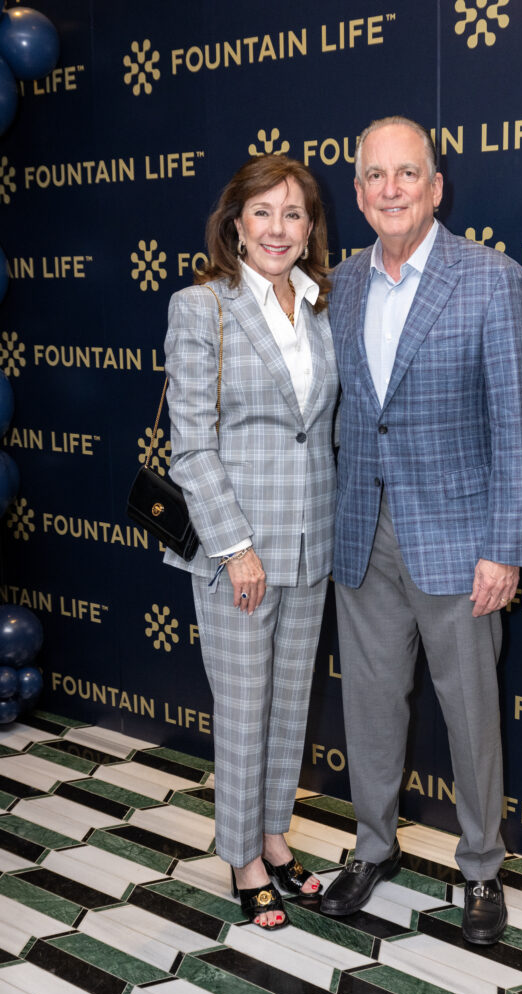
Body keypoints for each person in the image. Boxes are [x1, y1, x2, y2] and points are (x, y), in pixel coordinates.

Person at [320, 117, 522, 945]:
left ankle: (480, 867)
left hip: (459, 543)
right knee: (372, 709)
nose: (389, 190)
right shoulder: (337, 284)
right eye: (373, 176)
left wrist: (503, 546)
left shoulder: (491, 280)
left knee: (470, 713)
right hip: (361, 534)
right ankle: (372, 849)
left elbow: (517, 427)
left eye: (405, 174)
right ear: (357, 192)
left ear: (435, 186)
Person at [163, 154, 338, 929]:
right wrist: (235, 547)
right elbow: (191, 446)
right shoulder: (202, 307)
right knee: (241, 710)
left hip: (310, 541)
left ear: (309, 230)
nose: (277, 228)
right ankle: (238, 856)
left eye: (292, 214)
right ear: (234, 223)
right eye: (261, 212)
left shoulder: (320, 304)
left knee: (288, 705)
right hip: (237, 550)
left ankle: (273, 836)